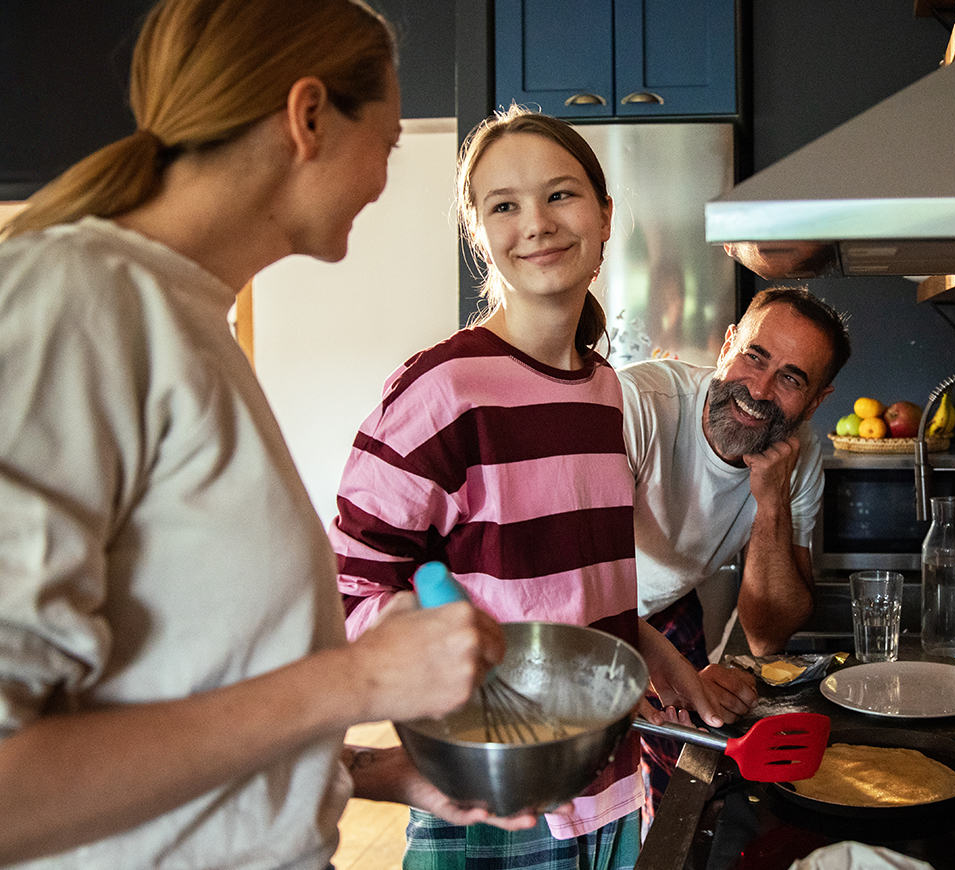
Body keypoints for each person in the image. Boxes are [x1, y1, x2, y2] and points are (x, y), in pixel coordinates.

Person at [0, 1, 526, 867]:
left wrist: (369, 772)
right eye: (390, 143)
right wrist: (362, 678)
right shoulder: (75, 303)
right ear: (308, 116)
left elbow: (172, 689)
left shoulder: (184, 316)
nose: (383, 180)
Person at [328, 107, 745, 870]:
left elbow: (563, 581)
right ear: (478, 233)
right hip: (491, 796)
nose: (537, 224)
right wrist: (438, 667)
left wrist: (654, 652)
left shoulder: (603, 390)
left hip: (608, 785)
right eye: (504, 206)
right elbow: (349, 588)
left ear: (605, 216)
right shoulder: (444, 391)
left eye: (561, 195)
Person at [617, 285, 852, 802]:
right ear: (727, 346)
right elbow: (566, 574)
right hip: (580, 606)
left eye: (790, 378)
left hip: (665, 602)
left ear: (816, 401)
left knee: (692, 781)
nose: (760, 389)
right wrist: (641, 669)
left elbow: (768, 635)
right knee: (595, 774)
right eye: (754, 356)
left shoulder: (799, 455)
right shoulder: (637, 406)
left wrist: (772, 504)